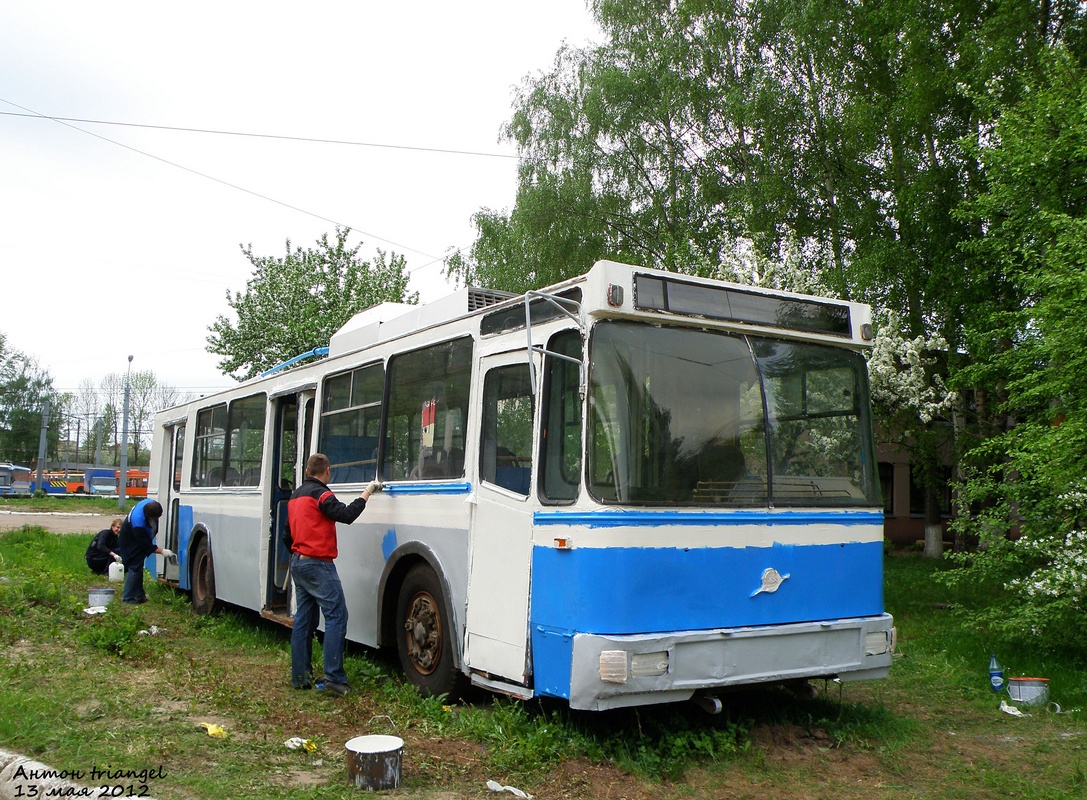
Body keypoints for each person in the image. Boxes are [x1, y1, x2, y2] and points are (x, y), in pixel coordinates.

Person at [288, 453, 381, 695]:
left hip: (298, 563)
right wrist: (367, 492)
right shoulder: (322, 494)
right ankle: (334, 679)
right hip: (318, 564)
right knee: (337, 616)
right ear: (326, 471)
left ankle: (300, 677)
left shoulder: (294, 497)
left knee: (304, 621)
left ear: (308, 471)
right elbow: (347, 515)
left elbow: (288, 535)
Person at [116, 499, 174, 604]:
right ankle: (128, 598)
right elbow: (145, 545)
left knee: (138, 568)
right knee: (134, 567)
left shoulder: (151, 504)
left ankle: (139, 596)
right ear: (148, 515)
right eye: (154, 518)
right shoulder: (138, 522)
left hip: (138, 536)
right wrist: (162, 551)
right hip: (129, 540)